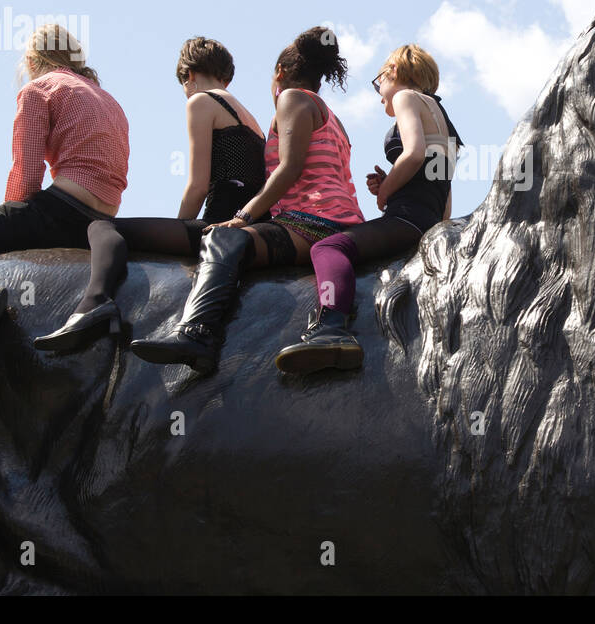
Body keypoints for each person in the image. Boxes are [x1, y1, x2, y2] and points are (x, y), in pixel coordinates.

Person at [130, 26, 364, 373]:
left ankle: (197, 332)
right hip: (341, 219)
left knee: (222, 236)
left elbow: (289, 168)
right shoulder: (335, 119)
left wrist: (244, 215)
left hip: (312, 221)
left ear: (280, 74)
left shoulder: (291, 99)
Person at [32, 37, 267, 352]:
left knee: (103, 227)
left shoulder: (201, 101)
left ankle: (95, 302)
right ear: (226, 76)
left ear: (189, 75)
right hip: (253, 224)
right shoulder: (251, 120)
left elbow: (198, 185)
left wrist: (178, 230)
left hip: (220, 225)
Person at [275, 43, 462, 375]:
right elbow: (441, 184)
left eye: (380, 84)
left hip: (406, 217)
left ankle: (332, 326)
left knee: (329, 246)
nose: (381, 97)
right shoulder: (445, 119)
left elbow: (415, 153)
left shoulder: (406, 96)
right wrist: (396, 185)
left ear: (393, 73)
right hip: (427, 220)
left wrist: (386, 192)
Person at [0, 23, 130, 261]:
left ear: (31, 62)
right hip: (105, 217)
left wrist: (10, 220)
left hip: (65, 209)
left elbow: (27, 172)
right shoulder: (109, 100)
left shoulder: (39, 89)